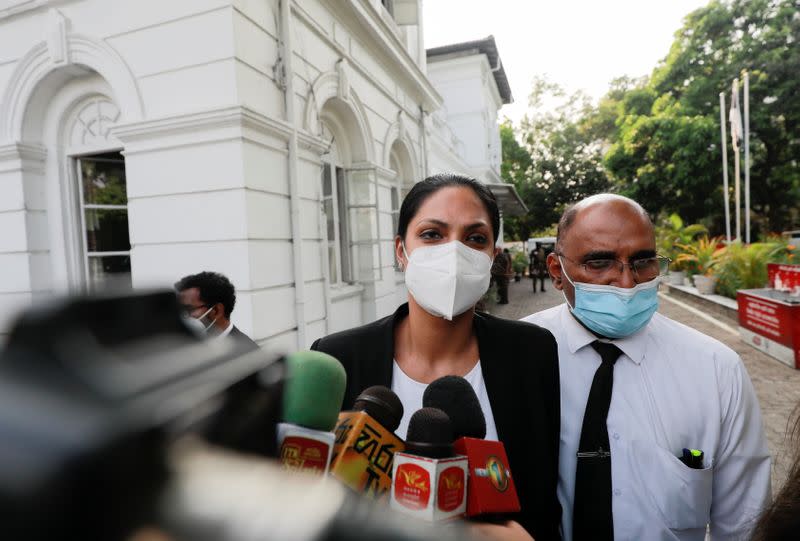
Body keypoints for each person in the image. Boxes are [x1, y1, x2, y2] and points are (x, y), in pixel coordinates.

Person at [311, 173, 561, 540]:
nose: (454, 252)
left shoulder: (532, 352)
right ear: (401, 251)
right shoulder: (338, 358)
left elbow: (543, 492)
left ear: (492, 256)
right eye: (432, 234)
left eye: (475, 238)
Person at [522, 194, 771, 540]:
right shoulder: (516, 358)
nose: (626, 282)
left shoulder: (715, 370)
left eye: (642, 261)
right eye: (599, 262)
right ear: (557, 272)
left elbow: (745, 522)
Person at [175, 271, 259, 351]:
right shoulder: (188, 346)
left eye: (189, 309)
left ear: (216, 310)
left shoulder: (248, 355)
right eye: (180, 309)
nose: (183, 315)